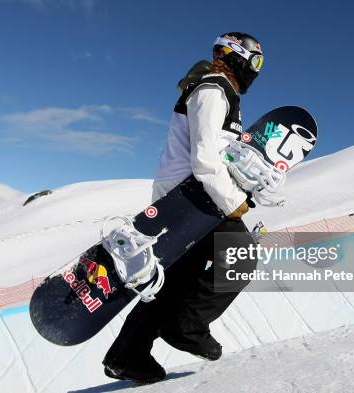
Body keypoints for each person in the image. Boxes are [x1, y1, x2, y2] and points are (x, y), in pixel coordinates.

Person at [103, 32, 265, 384]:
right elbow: (205, 158)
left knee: (176, 280)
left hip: (187, 197)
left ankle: (127, 355)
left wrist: (245, 186)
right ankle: (187, 327)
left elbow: (217, 156)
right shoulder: (213, 90)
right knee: (240, 255)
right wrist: (233, 202)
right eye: (257, 61)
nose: (257, 70)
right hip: (192, 200)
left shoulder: (219, 91)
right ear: (237, 56)